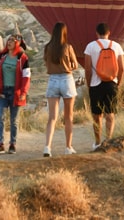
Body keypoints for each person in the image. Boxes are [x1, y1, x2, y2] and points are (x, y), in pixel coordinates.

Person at [83, 23, 124, 151]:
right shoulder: (116, 46)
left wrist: (89, 84)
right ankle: (109, 140)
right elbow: (122, 68)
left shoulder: (90, 46)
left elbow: (88, 69)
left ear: (96, 33)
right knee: (110, 113)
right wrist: (118, 83)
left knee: (96, 115)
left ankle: (97, 142)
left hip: (96, 84)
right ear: (109, 32)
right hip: (112, 83)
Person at [0, 34, 31, 154]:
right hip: (2, 92)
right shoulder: (0, 56)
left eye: (13, 40)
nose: (9, 42)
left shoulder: (23, 58)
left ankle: (12, 144)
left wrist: (23, 92)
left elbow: (26, 77)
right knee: (0, 117)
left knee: (14, 120)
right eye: (8, 40)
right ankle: (0, 144)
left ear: (18, 43)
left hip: (15, 92)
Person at [43, 22, 80, 157]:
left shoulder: (47, 47)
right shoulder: (67, 47)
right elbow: (75, 65)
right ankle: (68, 147)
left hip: (52, 80)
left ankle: (47, 147)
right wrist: (67, 65)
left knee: (52, 117)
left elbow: (46, 63)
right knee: (68, 117)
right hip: (66, 79)